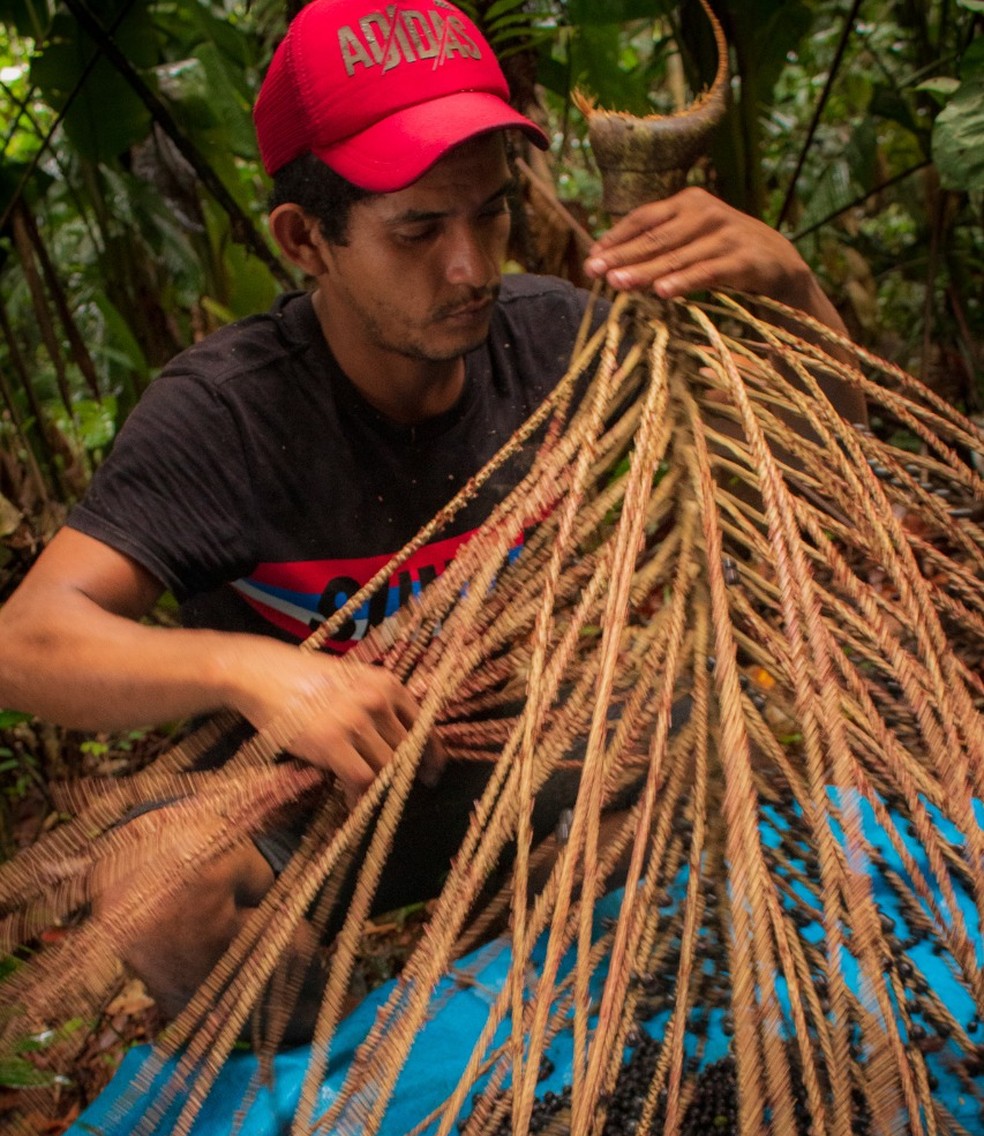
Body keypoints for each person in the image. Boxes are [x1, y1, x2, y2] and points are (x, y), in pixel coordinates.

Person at [0, 0, 857, 1032]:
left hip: (522, 757)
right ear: (304, 238)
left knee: (725, 760)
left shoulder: (552, 339)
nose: (471, 267)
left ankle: (563, 1030)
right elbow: (26, 640)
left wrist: (792, 283)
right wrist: (260, 672)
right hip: (308, 799)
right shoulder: (225, 414)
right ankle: (329, 1077)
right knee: (159, 882)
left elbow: (821, 459)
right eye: (418, 229)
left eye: (488, 213)